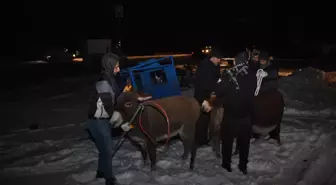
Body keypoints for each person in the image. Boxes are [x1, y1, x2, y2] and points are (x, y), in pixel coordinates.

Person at [215, 52, 257, 174]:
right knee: (245, 143)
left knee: (227, 142)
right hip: (246, 116)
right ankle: (242, 166)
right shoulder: (252, 75)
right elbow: (254, 90)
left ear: (235, 62)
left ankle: (226, 164)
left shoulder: (228, 75)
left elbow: (219, 91)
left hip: (230, 116)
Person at [87, 52, 121, 185]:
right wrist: (119, 121)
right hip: (99, 122)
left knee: (103, 149)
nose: (118, 69)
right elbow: (108, 106)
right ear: (109, 65)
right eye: (116, 66)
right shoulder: (104, 83)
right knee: (107, 151)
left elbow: (112, 100)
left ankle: (101, 172)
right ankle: (109, 179)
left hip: (97, 121)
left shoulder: (108, 79)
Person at [194, 48, 222, 146]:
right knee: (203, 119)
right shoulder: (206, 67)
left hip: (209, 96)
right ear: (213, 58)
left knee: (208, 118)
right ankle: (200, 140)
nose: (219, 61)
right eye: (218, 58)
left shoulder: (212, 66)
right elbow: (205, 84)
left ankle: (206, 137)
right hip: (204, 97)